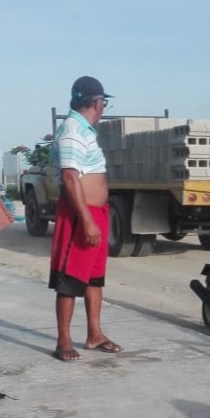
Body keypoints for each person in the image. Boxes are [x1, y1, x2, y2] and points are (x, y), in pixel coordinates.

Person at [48, 75, 122, 362]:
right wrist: (87, 220)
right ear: (96, 102)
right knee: (69, 279)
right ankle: (63, 340)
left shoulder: (84, 130)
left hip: (95, 213)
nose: (104, 107)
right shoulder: (72, 131)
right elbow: (69, 177)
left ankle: (95, 334)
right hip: (80, 214)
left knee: (93, 277)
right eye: (104, 101)